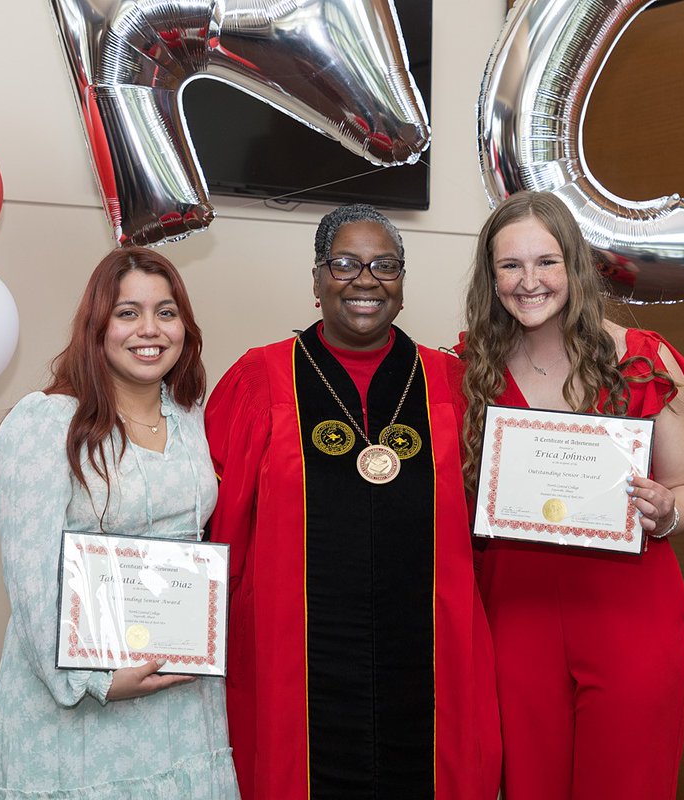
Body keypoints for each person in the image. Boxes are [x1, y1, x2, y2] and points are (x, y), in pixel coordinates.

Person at [204, 204, 501, 800]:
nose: (366, 280)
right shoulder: (261, 379)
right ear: (316, 280)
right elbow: (218, 525)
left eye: (384, 265)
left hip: (428, 662)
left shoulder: (451, 383)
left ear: (401, 282)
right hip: (298, 666)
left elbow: (491, 516)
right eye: (345, 264)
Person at [457, 191, 684, 800]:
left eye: (546, 262)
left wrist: (667, 513)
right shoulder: (468, 367)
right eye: (510, 266)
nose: (529, 281)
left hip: (629, 614)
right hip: (515, 613)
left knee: (627, 783)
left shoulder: (644, 360)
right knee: (528, 783)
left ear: (573, 264)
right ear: (492, 278)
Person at [0, 247, 239, 800]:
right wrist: (94, 682)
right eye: (128, 312)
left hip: (179, 695)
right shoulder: (46, 423)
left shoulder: (192, 418)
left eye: (166, 312)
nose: (150, 329)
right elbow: (31, 579)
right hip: (78, 704)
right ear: (97, 325)